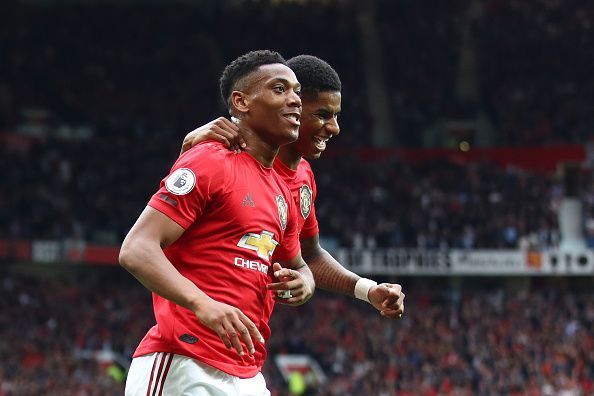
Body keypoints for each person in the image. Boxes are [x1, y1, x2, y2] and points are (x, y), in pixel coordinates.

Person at [119, 50, 316, 396]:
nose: (295, 101)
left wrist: (302, 283)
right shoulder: (211, 160)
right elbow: (136, 249)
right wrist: (202, 304)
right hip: (183, 362)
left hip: (246, 374)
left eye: (297, 92)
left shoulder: (283, 191)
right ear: (240, 102)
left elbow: (300, 265)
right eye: (280, 89)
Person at [181, 55, 405, 319]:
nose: (334, 128)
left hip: (242, 341)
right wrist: (186, 149)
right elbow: (158, 231)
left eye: (335, 116)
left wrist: (367, 290)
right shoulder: (228, 154)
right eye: (322, 115)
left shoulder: (302, 177)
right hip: (189, 334)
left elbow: (307, 256)